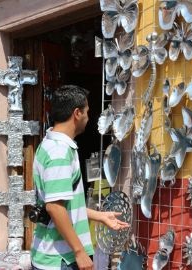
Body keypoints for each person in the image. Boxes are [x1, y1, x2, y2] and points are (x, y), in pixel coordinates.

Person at [31, 85, 129, 270]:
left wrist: (99, 216)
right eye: (87, 112)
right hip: (60, 260)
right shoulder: (59, 152)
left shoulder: (51, 144)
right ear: (77, 113)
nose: (88, 117)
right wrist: (79, 251)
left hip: (57, 258)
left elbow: (64, 205)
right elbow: (54, 207)